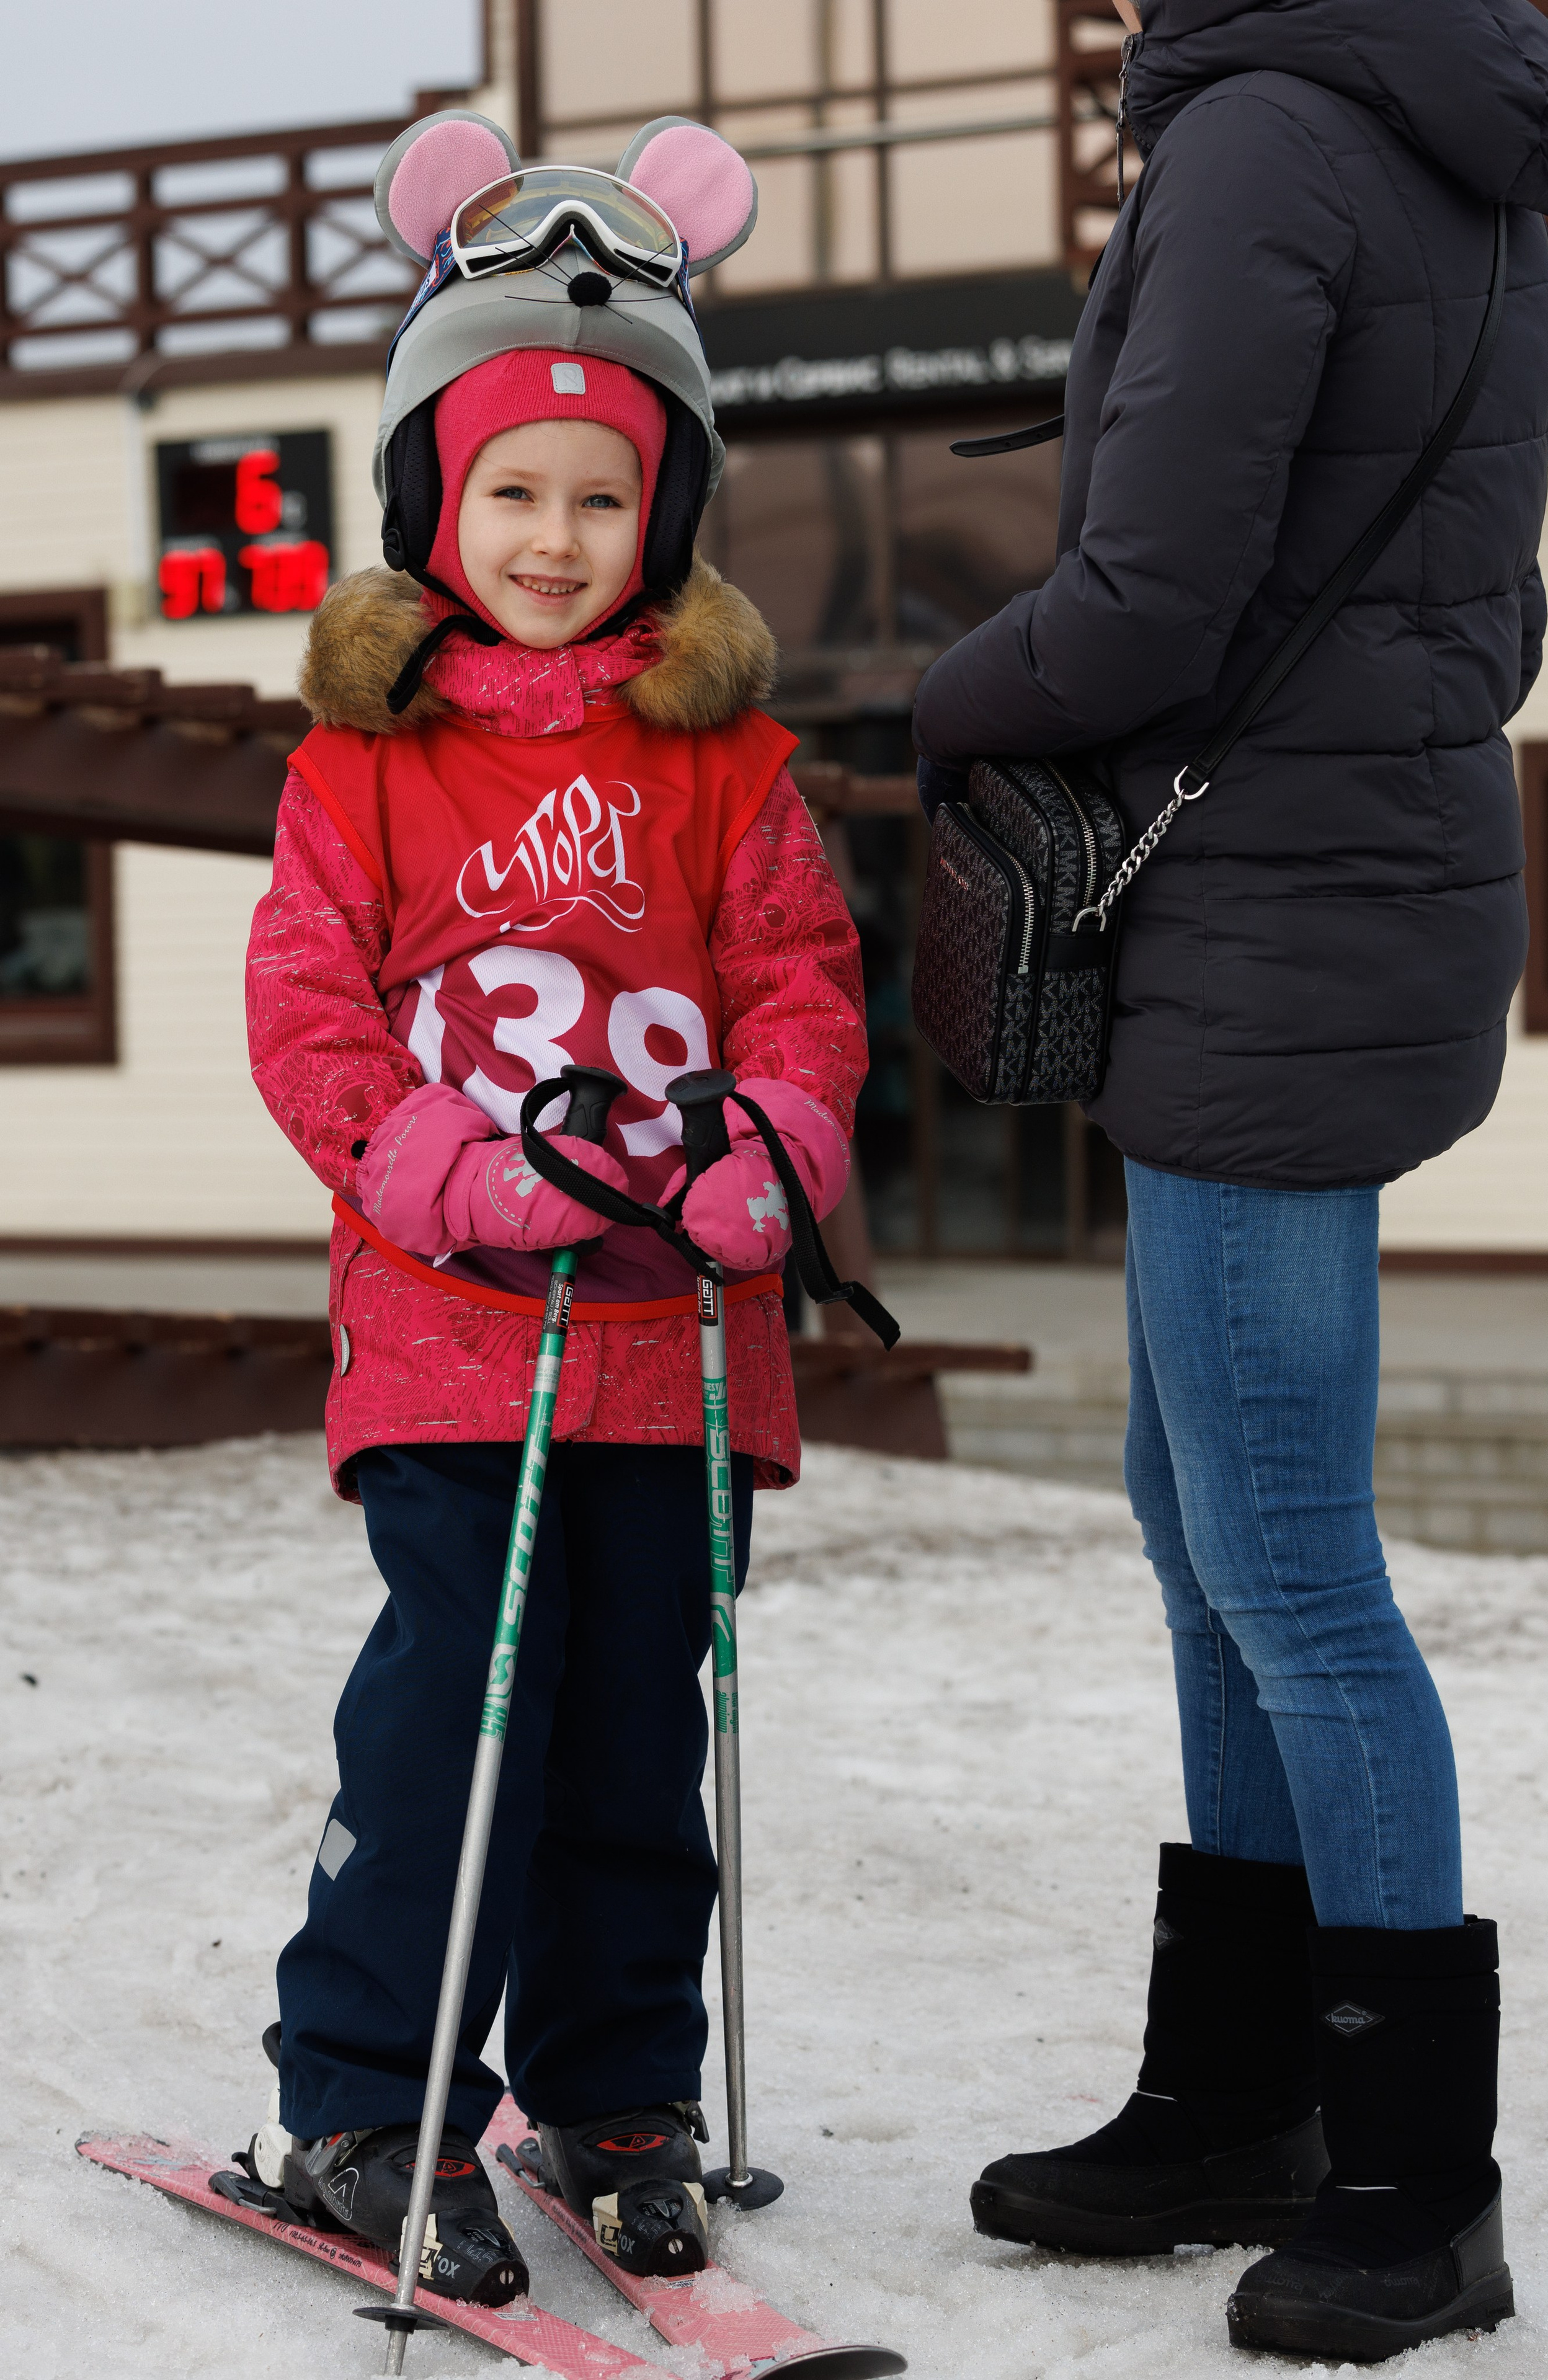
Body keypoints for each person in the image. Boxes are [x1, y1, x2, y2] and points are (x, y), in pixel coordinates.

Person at [912, 0, 1548, 2361]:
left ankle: (1411, 2181)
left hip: (1275, 935)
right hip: (1357, 892)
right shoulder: (1458, 129)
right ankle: (1239, 2100)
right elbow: (1488, 604)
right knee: (1203, 1513)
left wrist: (932, 692)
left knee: (1283, 1556)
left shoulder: (1271, 136)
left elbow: (1148, 601)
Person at [236, 109, 864, 2304]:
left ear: (668, 514)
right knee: (452, 1731)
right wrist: (447, 1163)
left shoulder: (732, 766)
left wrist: (775, 1142)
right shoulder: (369, 763)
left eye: (606, 497)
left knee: (629, 1738)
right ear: (434, 496)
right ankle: (364, 2092)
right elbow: (313, 1017)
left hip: (673, 1337)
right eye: (512, 488)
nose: (556, 532)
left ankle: (618, 2095)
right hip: (453, 1324)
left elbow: (803, 983)